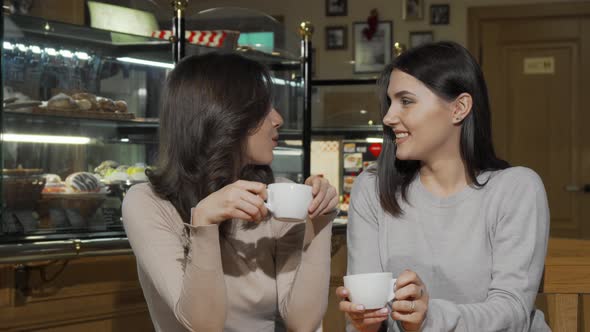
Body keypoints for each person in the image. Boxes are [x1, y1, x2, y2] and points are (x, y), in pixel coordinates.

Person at [336, 41, 550, 331]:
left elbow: (511, 312)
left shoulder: (516, 189)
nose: (388, 117)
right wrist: (363, 321)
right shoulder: (372, 188)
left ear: (459, 108)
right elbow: (366, 316)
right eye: (390, 102)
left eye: (406, 101)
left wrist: (430, 317)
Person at [122, 52, 338, 331]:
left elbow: (303, 322)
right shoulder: (148, 202)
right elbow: (203, 324)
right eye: (263, 108)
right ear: (222, 116)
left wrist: (319, 221)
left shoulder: (278, 195)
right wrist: (204, 223)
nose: (278, 119)